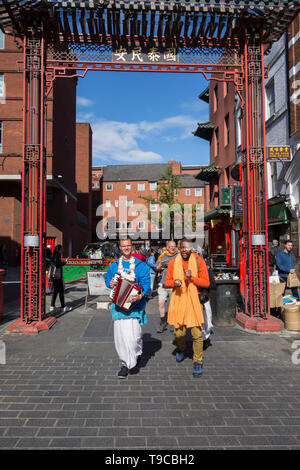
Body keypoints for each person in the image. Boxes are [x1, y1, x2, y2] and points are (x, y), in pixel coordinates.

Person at [105, 238, 151, 379]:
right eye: (123, 246)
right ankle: (125, 364)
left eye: (128, 246)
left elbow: (146, 283)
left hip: (135, 307)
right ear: (120, 247)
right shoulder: (114, 265)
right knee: (121, 339)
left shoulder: (140, 265)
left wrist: (140, 295)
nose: (126, 248)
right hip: (119, 309)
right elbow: (107, 279)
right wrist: (110, 282)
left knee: (134, 338)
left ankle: (137, 354)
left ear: (132, 247)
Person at [165, 238, 210, 377]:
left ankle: (198, 361)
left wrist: (192, 279)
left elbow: (206, 283)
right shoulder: (173, 263)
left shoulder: (198, 261)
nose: (184, 250)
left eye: (187, 247)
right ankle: (181, 348)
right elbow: (166, 282)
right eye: (182, 247)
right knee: (179, 333)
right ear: (179, 249)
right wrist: (174, 283)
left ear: (192, 248)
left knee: (197, 334)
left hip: (194, 301)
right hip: (179, 300)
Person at [155, 240, 178, 333]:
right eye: (171, 246)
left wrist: (172, 265)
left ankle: (174, 322)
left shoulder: (178, 256)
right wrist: (161, 267)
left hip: (174, 283)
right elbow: (156, 267)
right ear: (167, 247)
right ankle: (163, 322)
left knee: (174, 304)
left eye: (174, 246)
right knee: (161, 303)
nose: (172, 248)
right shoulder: (162, 256)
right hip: (163, 282)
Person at [49, 245, 72, 313]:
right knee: (61, 291)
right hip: (57, 277)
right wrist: (65, 262)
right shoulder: (57, 256)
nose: (63, 250)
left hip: (53, 276)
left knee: (55, 291)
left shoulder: (54, 256)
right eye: (62, 249)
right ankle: (63, 307)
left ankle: (52, 306)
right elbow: (57, 264)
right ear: (59, 250)